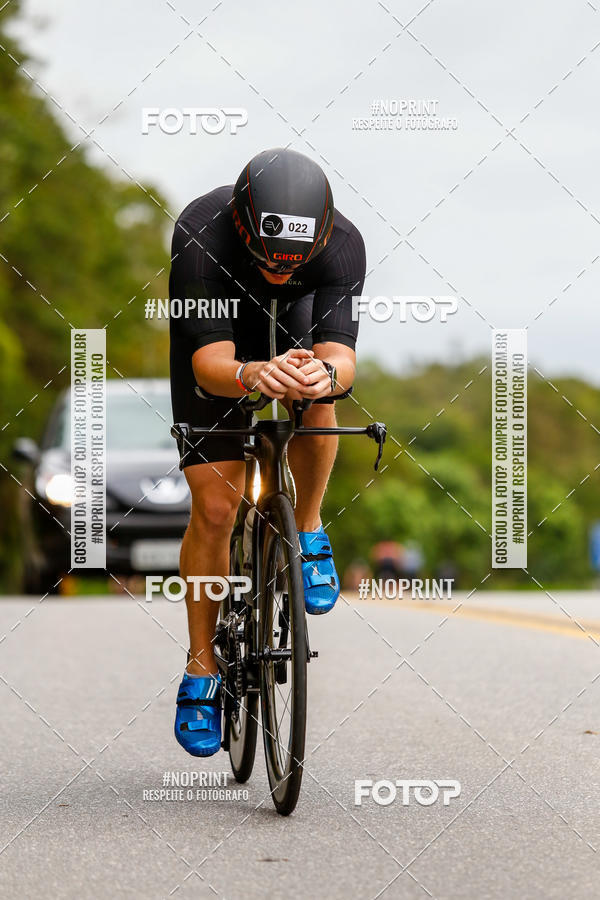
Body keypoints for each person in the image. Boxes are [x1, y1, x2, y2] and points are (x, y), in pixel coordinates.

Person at [169, 148, 366, 756]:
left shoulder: (340, 247)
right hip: (224, 339)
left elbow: (343, 358)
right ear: (242, 227)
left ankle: (306, 531)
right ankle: (201, 669)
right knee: (217, 509)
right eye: (267, 262)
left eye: (292, 265)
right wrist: (253, 372)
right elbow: (208, 367)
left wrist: (322, 377)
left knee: (318, 397)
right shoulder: (200, 235)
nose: (278, 275)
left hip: (297, 326)